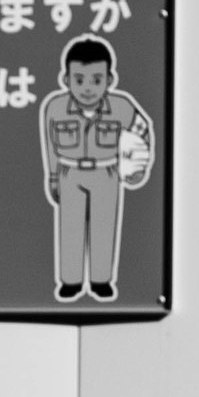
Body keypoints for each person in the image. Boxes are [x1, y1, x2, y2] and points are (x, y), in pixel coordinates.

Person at [38, 33, 154, 302]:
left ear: (109, 80)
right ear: (66, 80)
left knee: (104, 225)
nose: (87, 88)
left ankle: (102, 280)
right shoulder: (55, 107)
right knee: (70, 227)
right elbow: (50, 143)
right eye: (78, 80)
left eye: (96, 80)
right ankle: (71, 281)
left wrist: (135, 168)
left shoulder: (122, 107)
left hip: (107, 172)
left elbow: (141, 133)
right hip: (69, 172)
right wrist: (53, 176)